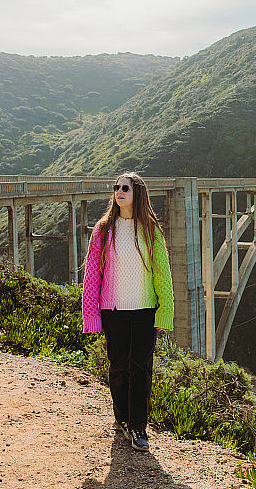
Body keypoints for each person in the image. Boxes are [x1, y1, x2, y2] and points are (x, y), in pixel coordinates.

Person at [81, 172, 174, 452]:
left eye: (125, 188)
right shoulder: (103, 229)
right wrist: (91, 314)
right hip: (114, 310)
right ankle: (121, 418)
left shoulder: (150, 230)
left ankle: (138, 427)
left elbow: (162, 274)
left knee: (141, 369)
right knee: (119, 366)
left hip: (145, 310)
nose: (119, 191)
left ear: (138, 194)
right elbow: (92, 275)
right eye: (116, 187)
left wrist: (165, 311)